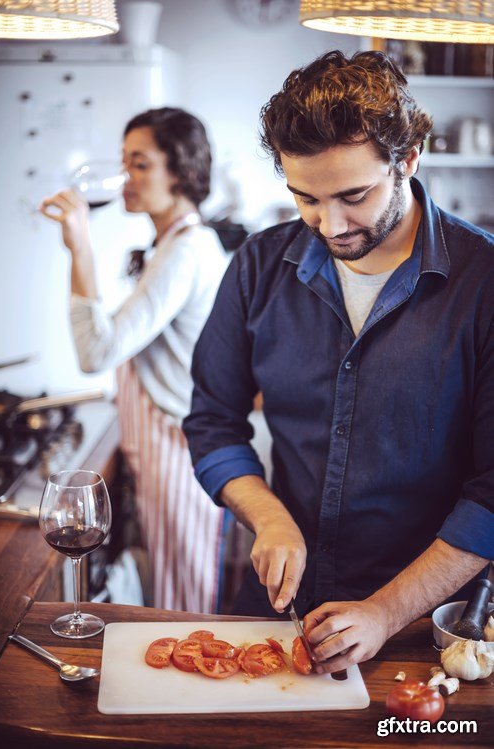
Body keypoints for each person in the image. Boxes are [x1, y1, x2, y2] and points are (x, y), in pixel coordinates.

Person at [183, 51, 494, 671]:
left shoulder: (483, 281)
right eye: (305, 198)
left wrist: (382, 610)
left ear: (407, 159)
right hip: (280, 607)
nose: (329, 224)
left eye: (353, 195)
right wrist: (268, 517)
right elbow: (213, 422)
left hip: (421, 625)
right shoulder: (257, 266)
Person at [40, 107, 229, 613]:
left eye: (140, 164)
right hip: (163, 443)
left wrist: (79, 246)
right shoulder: (172, 244)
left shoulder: (186, 250)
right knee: (171, 589)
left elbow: (96, 351)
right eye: (124, 162)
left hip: (177, 448)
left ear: (181, 170)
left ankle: (192, 691)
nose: (125, 178)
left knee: (182, 600)